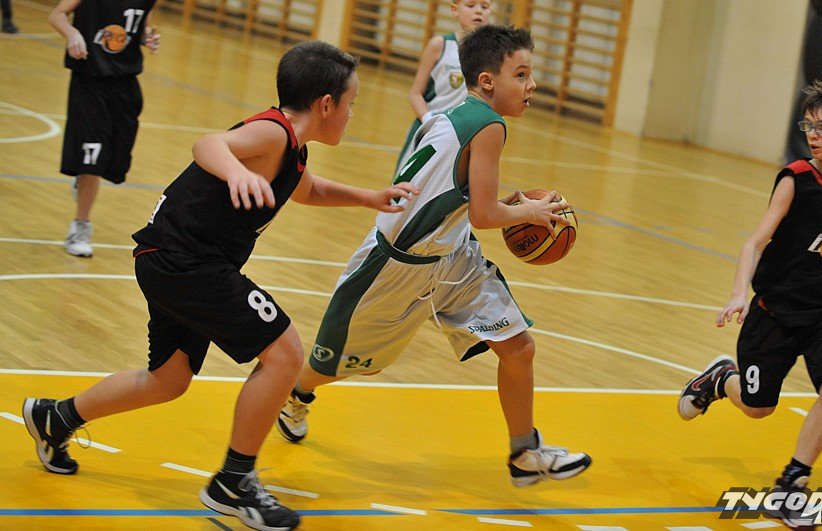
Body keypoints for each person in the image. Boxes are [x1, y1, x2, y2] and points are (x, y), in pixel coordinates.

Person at [23, 41, 418, 531]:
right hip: (186, 262)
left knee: (168, 380)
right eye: (351, 103)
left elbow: (309, 189)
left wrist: (369, 197)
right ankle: (233, 483)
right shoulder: (271, 133)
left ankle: (56, 418)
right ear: (325, 104)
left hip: (170, 259)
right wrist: (233, 172)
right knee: (285, 355)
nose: (352, 114)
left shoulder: (292, 148)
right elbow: (209, 144)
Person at [277, 25, 592, 488]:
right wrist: (529, 212)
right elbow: (486, 214)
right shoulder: (489, 125)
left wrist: (507, 206)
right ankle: (297, 393)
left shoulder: (460, 113)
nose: (532, 84)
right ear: (487, 81)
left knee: (519, 347)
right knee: (340, 364)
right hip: (395, 265)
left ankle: (524, 452)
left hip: (453, 256)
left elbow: (466, 202)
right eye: (522, 74)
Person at [678, 71, 822, 528]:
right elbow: (755, 243)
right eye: (808, 125)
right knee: (757, 406)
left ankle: (791, 485)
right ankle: (720, 380)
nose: (812, 135)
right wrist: (738, 294)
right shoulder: (796, 179)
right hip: (776, 312)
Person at [49, 0, 162, 258]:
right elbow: (57, 15)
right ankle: (80, 227)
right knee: (93, 158)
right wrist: (72, 33)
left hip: (126, 83)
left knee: (115, 159)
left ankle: (83, 177)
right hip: (90, 81)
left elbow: (140, 25)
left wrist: (147, 37)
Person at [395, 0, 491, 174]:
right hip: (429, 130)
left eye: (484, 7)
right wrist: (429, 121)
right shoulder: (439, 45)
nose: (479, 11)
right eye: (471, 5)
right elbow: (415, 93)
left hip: (461, 136)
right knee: (404, 186)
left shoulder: (491, 55)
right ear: (455, 10)